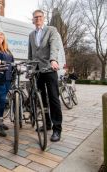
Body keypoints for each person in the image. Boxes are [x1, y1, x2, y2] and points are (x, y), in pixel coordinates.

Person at [28, 9, 63, 142]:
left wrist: (53, 60)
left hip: (49, 69)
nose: (38, 19)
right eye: (35, 17)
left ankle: (57, 129)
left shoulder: (51, 30)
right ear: (33, 19)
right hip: (37, 71)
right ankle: (47, 123)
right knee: (41, 99)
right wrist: (30, 68)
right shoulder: (31, 35)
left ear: (44, 18)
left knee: (53, 98)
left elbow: (54, 46)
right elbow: (31, 53)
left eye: (40, 17)